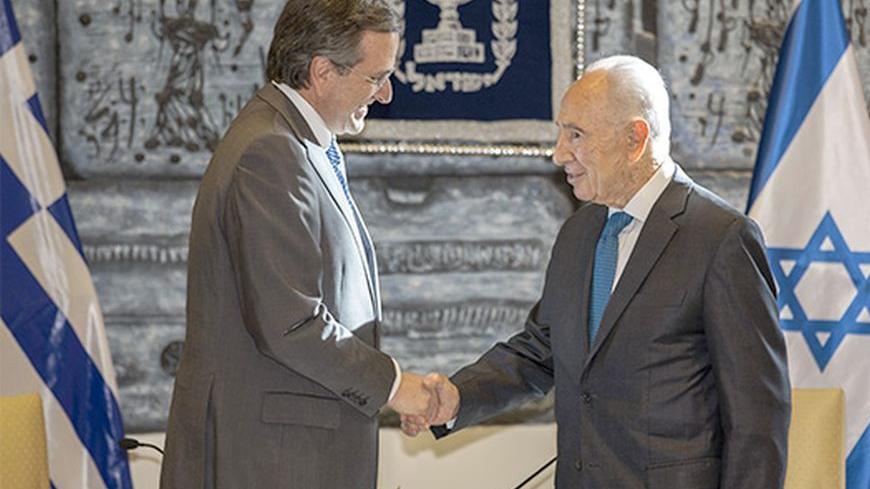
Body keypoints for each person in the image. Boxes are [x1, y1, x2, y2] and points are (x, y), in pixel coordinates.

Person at [403, 55, 791, 489]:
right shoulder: (579, 232)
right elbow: (542, 349)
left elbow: (758, 419)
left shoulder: (721, 238)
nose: (558, 153)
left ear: (635, 138)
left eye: (576, 135)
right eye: (560, 133)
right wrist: (457, 396)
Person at [160, 1, 436, 488]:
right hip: (270, 460)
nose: (387, 94)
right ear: (323, 71)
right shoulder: (271, 150)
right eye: (376, 77)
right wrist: (394, 386)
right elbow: (289, 323)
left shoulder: (298, 141)